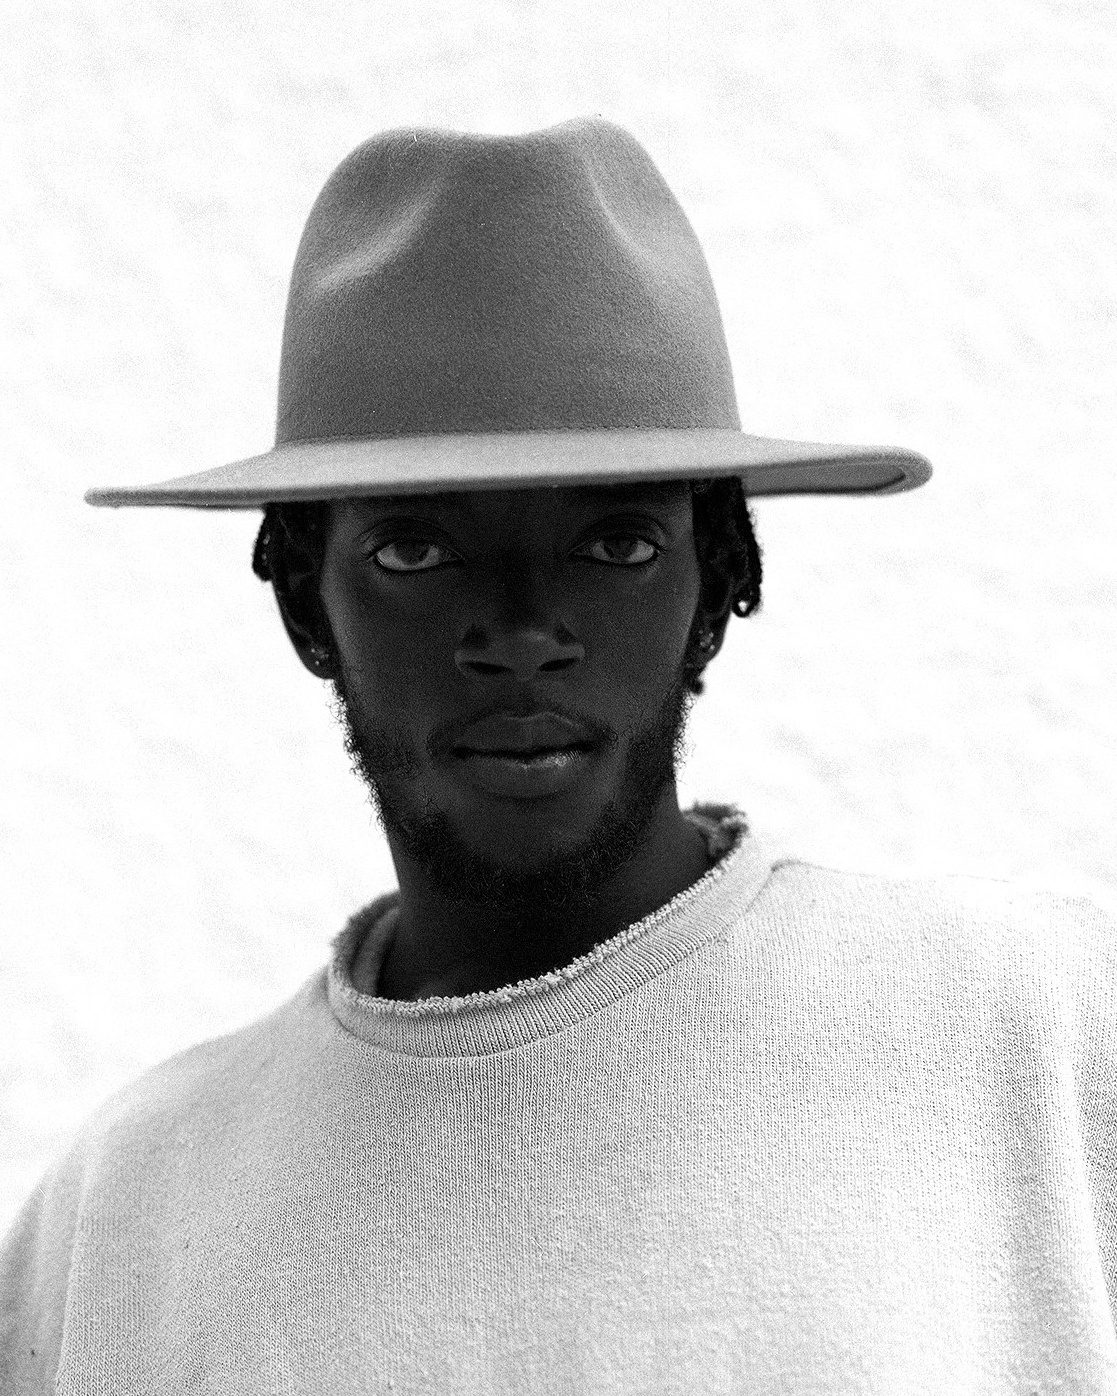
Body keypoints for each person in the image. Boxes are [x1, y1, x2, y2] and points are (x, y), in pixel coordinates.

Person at [2, 117, 1114, 1393]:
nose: (523, 631)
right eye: (416, 549)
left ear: (719, 586)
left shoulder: (1033, 1030)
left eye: (618, 544)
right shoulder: (126, 1213)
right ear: (305, 603)